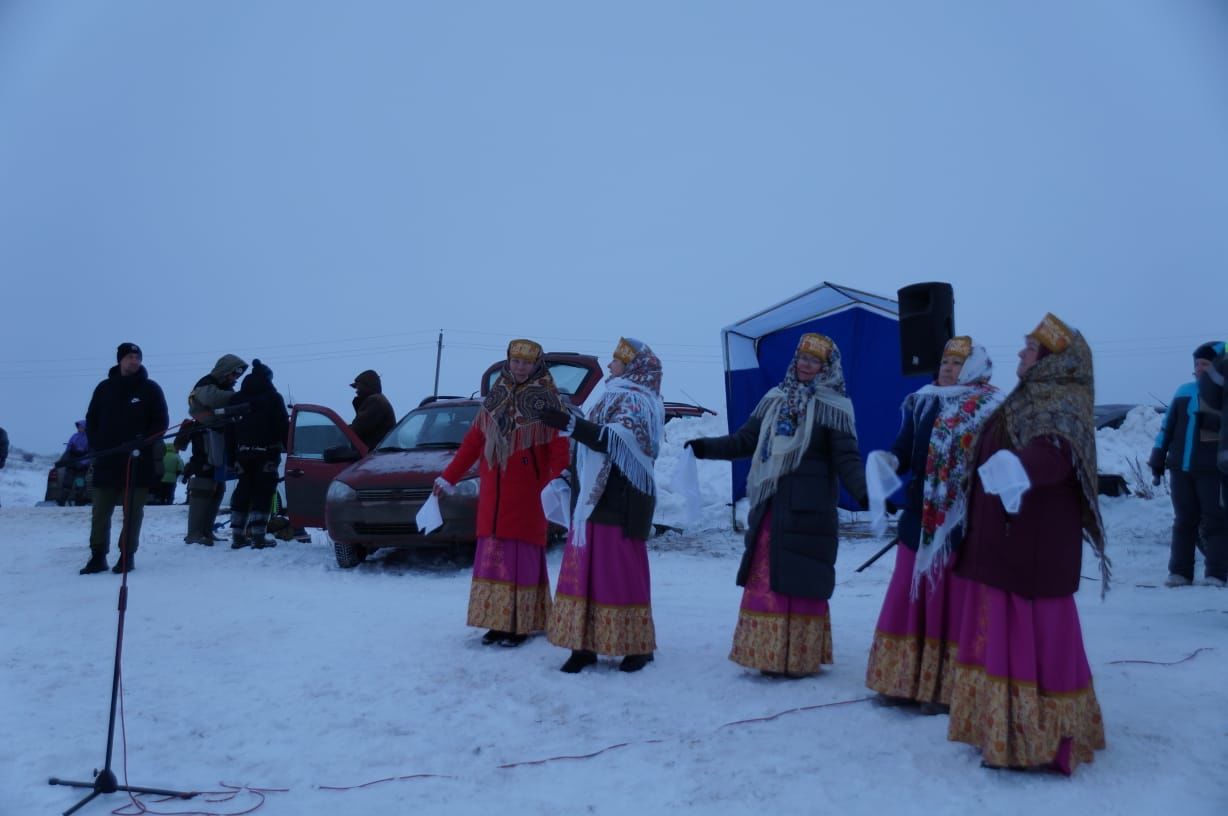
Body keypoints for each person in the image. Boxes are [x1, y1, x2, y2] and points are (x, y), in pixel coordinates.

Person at [947, 313, 1107, 774]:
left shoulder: (1064, 400)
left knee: (1028, 642)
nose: (1020, 354)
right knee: (997, 637)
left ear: (1054, 362)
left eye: (1030, 349)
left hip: (1031, 548)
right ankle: (1001, 730)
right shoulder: (1026, 397)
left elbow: (1058, 452)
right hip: (1002, 542)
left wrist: (1021, 466)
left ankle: (1036, 739)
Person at [686, 333, 868, 678]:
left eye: (813, 361)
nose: (805, 365)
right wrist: (704, 447)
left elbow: (847, 458)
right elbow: (745, 441)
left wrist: (864, 493)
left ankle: (797, 656)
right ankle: (764, 651)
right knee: (766, 577)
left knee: (800, 580)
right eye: (801, 358)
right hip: (772, 506)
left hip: (808, 510)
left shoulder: (834, 407)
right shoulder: (775, 399)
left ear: (826, 368)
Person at [865, 337, 1003, 712]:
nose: (947, 367)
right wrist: (889, 461)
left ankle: (943, 689)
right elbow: (906, 448)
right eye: (944, 360)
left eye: (957, 363)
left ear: (974, 368)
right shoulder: (923, 400)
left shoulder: (990, 408)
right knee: (907, 593)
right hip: (919, 518)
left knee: (950, 601)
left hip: (963, 521)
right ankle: (900, 680)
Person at [539, 338, 665, 673]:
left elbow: (617, 440)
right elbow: (591, 443)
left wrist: (571, 424)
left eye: (616, 361)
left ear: (632, 365)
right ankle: (584, 645)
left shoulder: (640, 401)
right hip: (592, 500)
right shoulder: (612, 393)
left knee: (618, 574)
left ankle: (635, 646)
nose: (610, 366)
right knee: (585, 574)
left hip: (619, 501)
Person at [436, 339, 570, 647]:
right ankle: (496, 622)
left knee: (518, 557)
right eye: (516, 361)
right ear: (508, 361)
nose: (520, 367)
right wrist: (448, 478)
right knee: (493, 558)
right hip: (494, 493)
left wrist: (556, 481)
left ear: (536, 365)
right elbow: (472, 443)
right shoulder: (496, 396)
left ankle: (521, 625)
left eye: (526, 362)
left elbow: (558, 449)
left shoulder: (548, 401)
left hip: (527, 494)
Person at [80, 343, 169, 574]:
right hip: (107, 462)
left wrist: (144, 441)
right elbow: (92, 420)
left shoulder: (151, 389)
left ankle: (127, 556)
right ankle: (98, 556)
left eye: (137, 357)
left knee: (132, 513)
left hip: (137, 462)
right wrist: (98, 445)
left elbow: (161, 423)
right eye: (130, 357)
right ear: (120, 360)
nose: (134, 361)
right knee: (100, 511)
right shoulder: (104, 389)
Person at [1149, 341, 1227, 587]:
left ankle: (1216, 573)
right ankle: (1180, 572)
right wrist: (1158, 456)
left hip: (1213, 471)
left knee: (1215, 520)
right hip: (1181, 468)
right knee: (1184, 520)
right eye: (1197, 364)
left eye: (1206, 364)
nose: (1200, 369)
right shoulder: (1184, 391)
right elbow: (1167, 428)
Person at [184, 354, 248, 546]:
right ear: (225, 370)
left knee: (217, 484)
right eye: (233, 373)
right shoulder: (207, 384)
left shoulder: (225, 387)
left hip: (219, 437)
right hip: (204, 437)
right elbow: (212, 398)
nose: (235, 378)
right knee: (203, 482)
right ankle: (194, 532)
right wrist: (241, 397)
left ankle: (207, 530)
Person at [228, 359, 289, 549]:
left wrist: (231, 457)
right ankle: (258, 537)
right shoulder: (273, 398)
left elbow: (228, 431)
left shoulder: (236, 399)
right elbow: (283, 426)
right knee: (263, 492)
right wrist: (289, 448)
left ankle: (237, 536)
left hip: (242, 454)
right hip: (267, 454)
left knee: (243, 491)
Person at [349, 369, 396, 449]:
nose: (356, 391)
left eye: (358, 387)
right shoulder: (377, 400)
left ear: (367, 386)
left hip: (375, 454)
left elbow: (357, 429)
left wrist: (341, 432)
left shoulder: (375, 401)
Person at [55, 420, 92, 505]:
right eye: (79, 426)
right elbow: (68, 449)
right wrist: (66, 460)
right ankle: (61, 501)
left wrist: (82, 463)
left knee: (80, 483)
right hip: (72, 465)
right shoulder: (74, 436)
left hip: (82, 467)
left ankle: (78, 502)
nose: (79, 428)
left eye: (81, 426)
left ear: (85, 427)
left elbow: (90, 454)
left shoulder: (89, 438)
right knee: (67, 483)